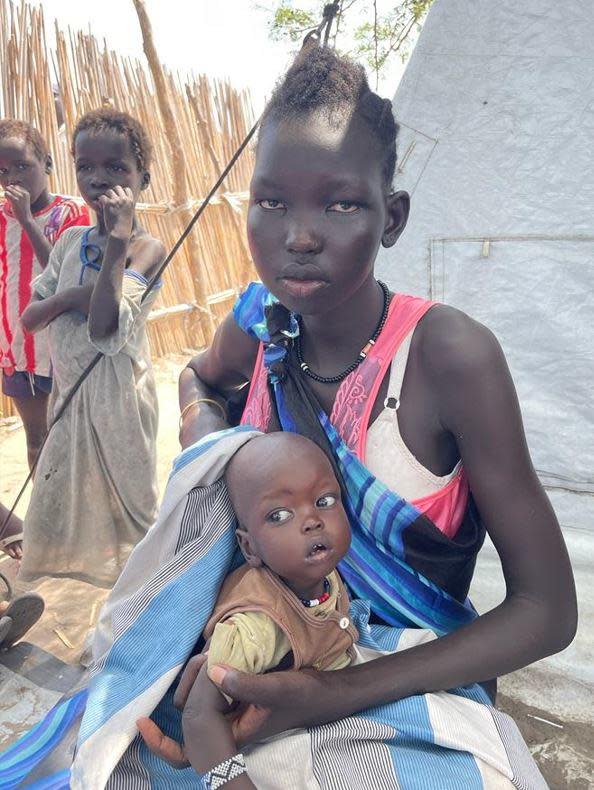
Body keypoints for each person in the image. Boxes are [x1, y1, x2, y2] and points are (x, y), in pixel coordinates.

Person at [168, 44, 576, 784]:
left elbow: (547, 609)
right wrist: (207, 438)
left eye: (341, 203)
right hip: (268, 648)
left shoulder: (448, 356)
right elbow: (196, 377)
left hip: (409, 676)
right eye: (272, 202)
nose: (298, 234)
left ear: (392, 218)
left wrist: (332, 692)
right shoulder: (259, 322)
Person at [139, 431, 356, 781]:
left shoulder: (323, 576)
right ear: (249, 547)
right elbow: (199, 714)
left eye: (325, 500)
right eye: (280, 515)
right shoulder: (254, 626)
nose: (312, 520)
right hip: (253, 734)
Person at [18, 108, 164, 587]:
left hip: (119, 401)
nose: (98, 179)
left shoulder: (146, 248)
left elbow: (105, 327)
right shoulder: (69, 242)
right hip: (70, 400)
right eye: (85, 166)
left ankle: (141, 609)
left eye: (116, 168)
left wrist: (118, 240)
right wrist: (70, 296)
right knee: (57, 502)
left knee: (134, 512)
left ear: (143, 176)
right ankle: (85, 602)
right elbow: (31, 317)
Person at [0, 120, 90, 558]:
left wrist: (25, 220)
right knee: (37, 439)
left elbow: (62, 274)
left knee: (72, 438)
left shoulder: (69, 214)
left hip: (64, 350)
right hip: (18, 349)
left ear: (48, 164)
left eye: (22, 166)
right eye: (2, 172)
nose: (12, 179)